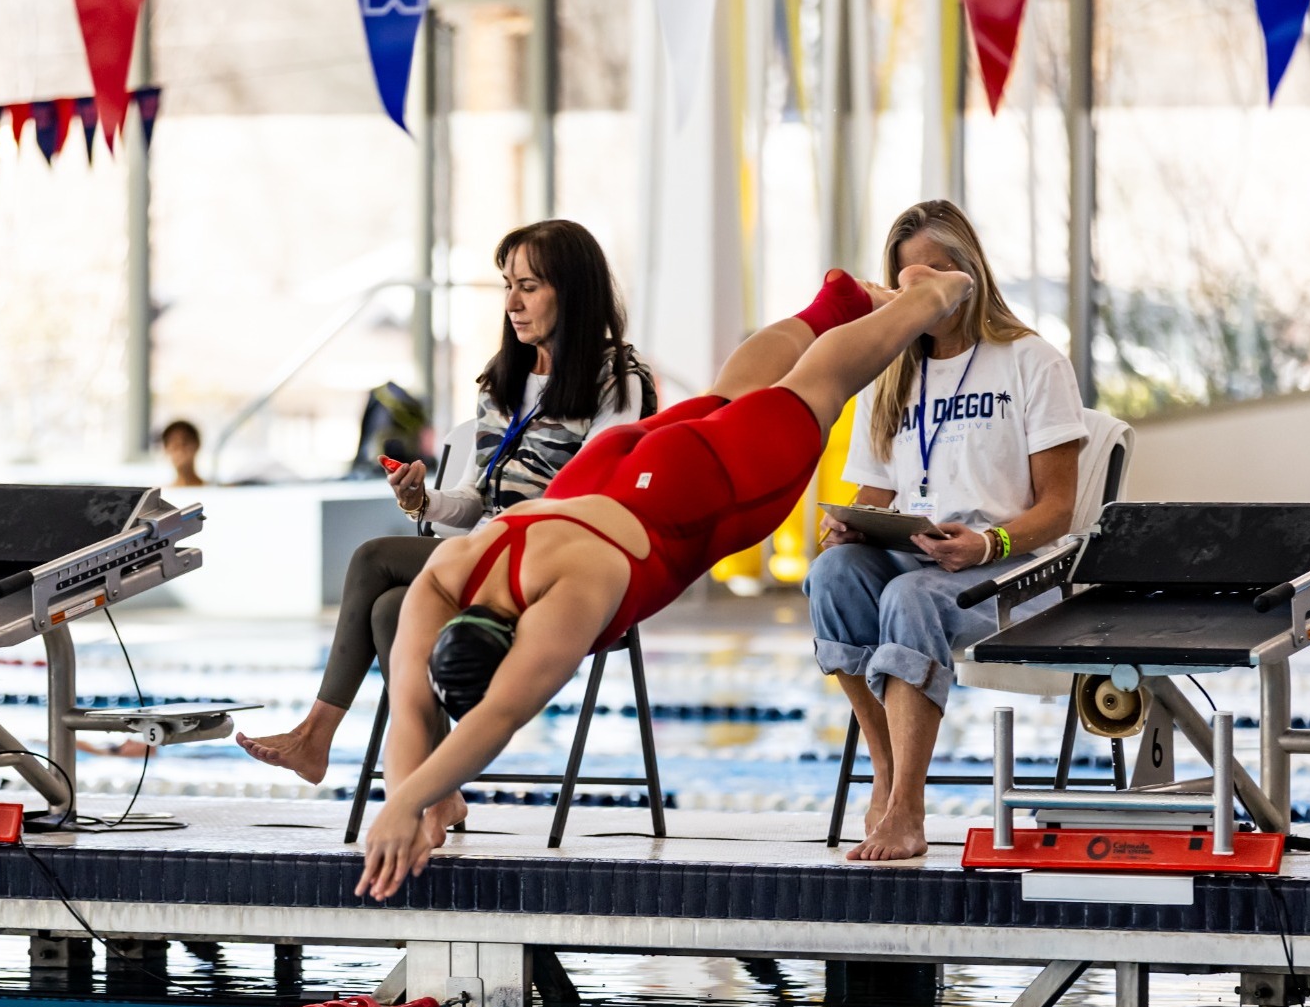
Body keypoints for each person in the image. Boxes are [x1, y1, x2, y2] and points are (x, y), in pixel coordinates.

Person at [354, 262, 977, 900]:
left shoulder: (568, 596)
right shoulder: (449, 573)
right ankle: (834, 304)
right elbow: (411, 700)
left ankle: (937, 291)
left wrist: (405, 805)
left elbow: (503, 713)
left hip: (690, 496)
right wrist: (408, 803)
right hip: (603, 472)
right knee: (732, 396)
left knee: (816, 388)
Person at [239, 219, 654, 784]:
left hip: (559, 568)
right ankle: (438, 787)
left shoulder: (618, 380)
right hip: (491, 554)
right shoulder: (501, 382)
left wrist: (506, 529)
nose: (511, 302)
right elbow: (480, 497)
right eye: (507, 284)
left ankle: (318, 736)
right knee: (389, 609)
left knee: (371, 558)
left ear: (573, 290)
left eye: (529, 286)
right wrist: (426, 501)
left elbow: (600, 496)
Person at [805, 200, 1088, 863]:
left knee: (910, 599)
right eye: (908, 281)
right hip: (922, 562)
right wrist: (848, 524)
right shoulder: (892, 376)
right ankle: (885, 769)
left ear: (968, 272)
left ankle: (905, 807)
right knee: (832, 576)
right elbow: (876, 493)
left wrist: (988, 545)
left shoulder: (1029, 362)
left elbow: (1059, 510)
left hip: (1013, 575)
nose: (924, 291)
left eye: (936, 272)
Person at [161, 419, 205, 488]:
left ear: (197, 445)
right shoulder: (163, 493)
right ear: (166, 449)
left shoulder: (214, 491)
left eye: (185, 443)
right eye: (175, 445)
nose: (180, 451)